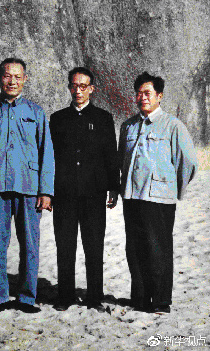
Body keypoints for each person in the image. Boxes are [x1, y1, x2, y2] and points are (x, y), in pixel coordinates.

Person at [0, 58, 54, 314]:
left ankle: (27, 298)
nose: (12, 81)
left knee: (29, 245)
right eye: (7, 76)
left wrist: (46, 191)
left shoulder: (35, 112)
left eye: (18, 77)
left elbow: (46, 152)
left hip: (28, 187)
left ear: (25, 79)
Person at [119, 72, 198, 314]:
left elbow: (188, 162)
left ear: (160, 96)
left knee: (158, 250)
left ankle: (161, 301)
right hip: (132, 196)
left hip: (159, 198)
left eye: (148, 93)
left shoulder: (173, 125)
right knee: (135, 249)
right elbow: (122, 159)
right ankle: (141, 298)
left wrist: (172, 189)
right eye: (139, 93)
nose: (142, 97)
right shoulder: (128, 126)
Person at [50, 67, 119, 312]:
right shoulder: (57, 119)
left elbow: (111, 155)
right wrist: (48, 190)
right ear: (69, 87)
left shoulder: (103, 118)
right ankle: (65, 295)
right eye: (74, 86)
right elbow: (50, 157)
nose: (78, 91)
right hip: (64, 193)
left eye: (83, 86)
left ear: (91, 89)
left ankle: (94, 296)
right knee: (65, 245)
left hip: (94, 193)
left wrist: (113, 187)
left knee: (94, 246)